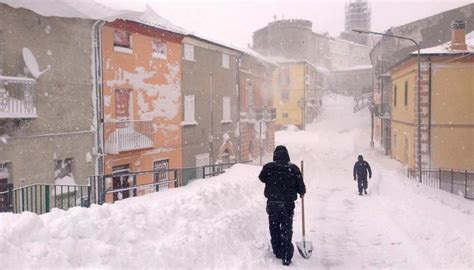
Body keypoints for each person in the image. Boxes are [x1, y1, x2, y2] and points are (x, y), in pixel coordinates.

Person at [258, 145, 306, 266]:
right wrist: (301, 191)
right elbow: (301, 186)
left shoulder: (269, 167)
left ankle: (277, 250)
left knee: (274, 227)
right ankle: (286, 255)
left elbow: (261, 178)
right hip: (287, 204)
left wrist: (273, 177)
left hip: (273, 203)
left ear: (275, 155)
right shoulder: (294, 169)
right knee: (286, 228)